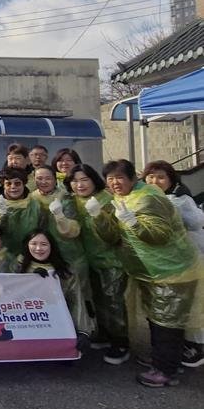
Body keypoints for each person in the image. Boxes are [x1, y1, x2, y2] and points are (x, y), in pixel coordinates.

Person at [91, 159, 203, 387]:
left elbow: (160, 235)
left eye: (120, 178)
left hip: (172, 271)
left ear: (133, 178)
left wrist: (132, 222)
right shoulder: (122, 198)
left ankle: (165, 371)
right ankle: (163, 360)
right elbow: (112, 237)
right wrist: (98, 216)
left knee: (167, 323)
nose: (115, 183)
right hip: (150, 272)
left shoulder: (149, 197)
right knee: (157, 318)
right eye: (110, 179)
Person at [64, 164, 129, 365]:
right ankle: (104, 333)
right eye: (75, 181)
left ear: (94, 180)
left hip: (111, 260)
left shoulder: (107, 200)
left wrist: (97, 214)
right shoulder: (72, 201)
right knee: (97, 299)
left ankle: (121, 342)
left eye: (85, 180)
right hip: (88, 259)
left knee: (113, 301)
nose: (80, 185)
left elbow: (113, 236)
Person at [141, 160, 204, 368]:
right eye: (151, 177)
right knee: (172, 308)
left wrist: (172, 209)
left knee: (192, 304)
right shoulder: (145, 197)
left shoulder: (180, 198)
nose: (155, 181)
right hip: (165, 262)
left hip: (189, 258)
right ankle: (174, 349)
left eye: (161, 177)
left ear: (171, 179)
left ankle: (196, 347)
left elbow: (197, 222)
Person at [14, 229, 94, 352]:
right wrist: (31, 279)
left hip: (58, 323)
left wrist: (83, 331)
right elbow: (10, 295)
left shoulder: (66, 272)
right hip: (26, 323)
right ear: (27, 245)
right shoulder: (17, 266)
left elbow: (76, 301)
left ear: (52, 246)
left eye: (44, 244)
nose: (38, 248)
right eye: (34, 244)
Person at [31, 165, 91, 312]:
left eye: (48, 178)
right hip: (43, 255)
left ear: (55, 179)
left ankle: (82, 325)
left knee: (77, 298)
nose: (43, 182)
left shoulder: (65, 197)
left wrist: (60, 216)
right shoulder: (31, 198)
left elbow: (74, 230)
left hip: (70, 254)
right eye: (39, 178)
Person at [0, 167, 44, 261]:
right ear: (3, 185)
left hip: (29, 255)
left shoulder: (35, 204)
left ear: (24, 184)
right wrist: (1, 214)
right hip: (1, 257)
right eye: (8, 184)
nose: (13, 187)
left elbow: (42, 232)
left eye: (17, 183)